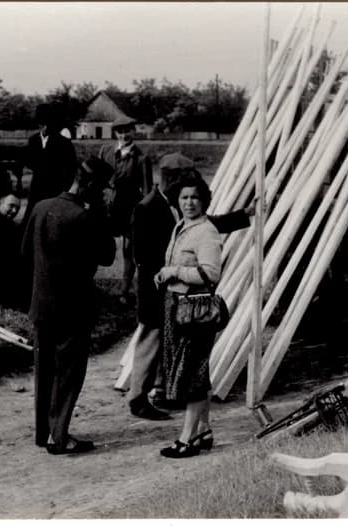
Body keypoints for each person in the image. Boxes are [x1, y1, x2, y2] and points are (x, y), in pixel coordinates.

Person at [128, 152, 256, 421]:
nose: (188, 192)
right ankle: (138, 398)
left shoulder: (176, 204)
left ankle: (162, 392)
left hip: (173, 292)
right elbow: (142, 256)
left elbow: (207, 225)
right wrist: (169, 275)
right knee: (149, 345)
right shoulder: (147, 207)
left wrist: (243, 215)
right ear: (170, 177)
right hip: (156, 291)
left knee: (168, 345)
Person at [21, 155, 115, 455]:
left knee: (44, 371)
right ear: (88, 185)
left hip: (41, 305)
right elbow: (107, 255)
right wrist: (100, 212)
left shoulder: (40, 207)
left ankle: (44, 433)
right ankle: (58, 437)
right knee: (68, 374)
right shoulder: (83, 217)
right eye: (100, 189)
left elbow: (24, 252)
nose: (101, 194)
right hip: (72, 309)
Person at [153, 174, 222, 459]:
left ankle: (187, 439)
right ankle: (204, 429)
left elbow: (211, 274)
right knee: (196, 370)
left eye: (194, 197)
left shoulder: (206, 231)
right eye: (184, 197)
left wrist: (174, 272)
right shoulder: (183, 226)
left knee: (192, 371)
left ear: (204, 200)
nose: (189, 202)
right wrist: (164, 274)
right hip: (177, 308)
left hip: (194, 311)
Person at [98, 115, 153, 303]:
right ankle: (88, 284)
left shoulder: (141, 158)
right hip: (107, 209)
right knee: (95, 243)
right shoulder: (105, 151)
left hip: (130, 210)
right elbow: (96, 181)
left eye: (128, 130)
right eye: (120, 131)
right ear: (115, 133)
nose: (124, 135)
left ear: (134, 131)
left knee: (130, 250)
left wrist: (143, 214)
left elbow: (147, 192)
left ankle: (124, 290)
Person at [22, 103, 78, 223]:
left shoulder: (64, 143)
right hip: (36, 188)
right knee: (31, 219)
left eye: (49, 124)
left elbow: (71, 170)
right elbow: (29, 160)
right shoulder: (33, 140)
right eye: (43, 124)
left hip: (55, 189)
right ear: (39, 124)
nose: (46, 128)